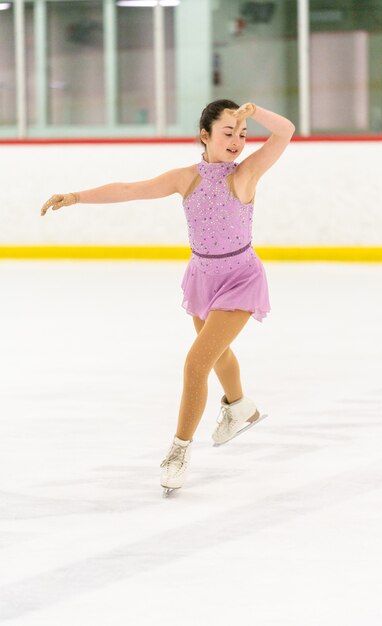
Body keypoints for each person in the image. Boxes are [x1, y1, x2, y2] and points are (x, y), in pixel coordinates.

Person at [40, 100, 295, 496]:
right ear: (204, 135)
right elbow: (130, 190)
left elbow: (285, 132)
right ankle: (240, 406)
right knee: (217, 354)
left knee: (196, 363)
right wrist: (76, 196)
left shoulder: (246, 174)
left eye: (242, 134)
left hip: (240, 278)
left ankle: (179, 451)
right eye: (228, 133)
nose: (237, 141)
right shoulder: (185, 179)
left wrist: (255, 113)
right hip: (202, 278)